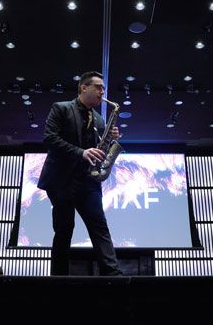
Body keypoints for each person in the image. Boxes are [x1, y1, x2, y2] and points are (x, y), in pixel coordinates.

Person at [37, 71, 123, 276]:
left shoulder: (100, 120)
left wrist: (110, 139)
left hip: (88, 181)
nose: (102, 92)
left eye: (103, 88)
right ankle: (59, 278)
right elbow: (50, 138)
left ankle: (113, 275)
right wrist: (81, 152)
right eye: (98, 87)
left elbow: (99, 151)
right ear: (84, 88)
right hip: (62, 180)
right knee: (64, 230)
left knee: (99, 225)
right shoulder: (61, 108)